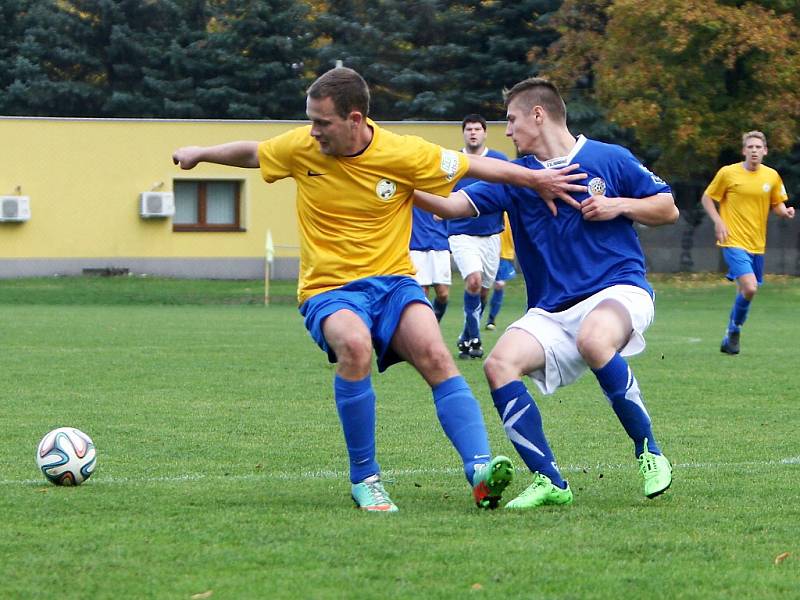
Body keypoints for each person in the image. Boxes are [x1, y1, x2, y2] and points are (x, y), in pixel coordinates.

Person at [172, 67, 587, 512]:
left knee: (437, 355)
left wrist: (537, 179)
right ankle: (365, 478)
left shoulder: (403, 152)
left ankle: (480, 470)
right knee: (354, 347)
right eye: (310, 121)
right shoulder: (302, 147)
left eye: (322, 122)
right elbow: (254, 152)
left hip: (392, 284)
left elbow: (474, 165)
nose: (313, 132)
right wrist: (200, 152)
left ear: (354, 119)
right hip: (330, 288)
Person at [414, 77, 679, 510]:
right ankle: (550, 481)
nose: (510, 131)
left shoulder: (608, 158)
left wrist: (618, 206)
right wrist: (395, 180)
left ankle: (649, 451)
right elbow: (450, 207)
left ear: (538, 114)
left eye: (512, 120)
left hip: (619, 289)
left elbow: (667, 208)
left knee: (594, 339)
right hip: (551, 310)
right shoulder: (518, 178)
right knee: (498, 364)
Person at [700, 131, 795, 355]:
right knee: (750, 287)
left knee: (745, 290)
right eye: (750, 147)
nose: (754, 151)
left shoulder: (771, 176)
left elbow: (778, 204)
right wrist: (718, 221)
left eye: (758, 147)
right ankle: (735, 330)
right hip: (732, 240)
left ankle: (730, 336)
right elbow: (707, 198)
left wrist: (786, 212)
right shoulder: (728, 173)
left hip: (757, 245)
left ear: (765, 151)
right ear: (744, 151)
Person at [448, 114, 508, 359]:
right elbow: (439, 190)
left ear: (485, 133)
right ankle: (475, 340)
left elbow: (509, 190)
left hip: (491, 235)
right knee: (473, 281)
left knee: (483, 290)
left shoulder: (499, 160)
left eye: (477, 129)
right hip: (461, 232)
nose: (473, 133)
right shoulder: (453, 162)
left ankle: (465, 337)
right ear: (463, 133)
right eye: (469, 129)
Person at [410, 205, 451, 322]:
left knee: (443, 294)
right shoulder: (412, 190)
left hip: (440, 243)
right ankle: (423, 327)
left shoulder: (442, 189)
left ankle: (435, 322)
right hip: (416, 244)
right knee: (421, 293)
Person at [485, 212, 517, 331]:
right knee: (483, 286)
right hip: (489, 250)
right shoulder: (495, 206)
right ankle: (475, 316)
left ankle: (491, 319)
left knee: (499, 285)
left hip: (504, 253)